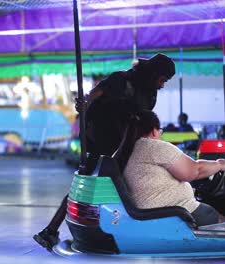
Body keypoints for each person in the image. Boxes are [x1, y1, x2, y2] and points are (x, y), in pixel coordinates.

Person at [34, 53, 176, 251]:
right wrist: (83, 104)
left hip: (127, 145)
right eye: (162, 79)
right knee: (87, 185)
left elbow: (142, 119)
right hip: (101, 144)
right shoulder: (120, 80)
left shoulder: (150, 92)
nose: (162, 85)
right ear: (153, 74)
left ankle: (129, 230)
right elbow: (91, 96)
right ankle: (50, 231)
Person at [122, 110, 225, 226]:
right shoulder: (153, 146)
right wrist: (220, 164)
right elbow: (195, 170)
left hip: (160, 210)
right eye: (160, 131)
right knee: (218, 218)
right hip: (175, 213)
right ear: (153, 131)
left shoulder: (134, 148)